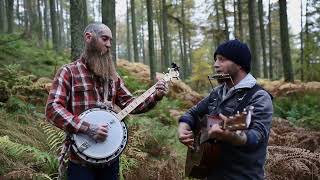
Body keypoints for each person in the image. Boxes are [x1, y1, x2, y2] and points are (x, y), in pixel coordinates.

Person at [45, 23, 168, 180]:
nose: (109, 45)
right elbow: (52, 108)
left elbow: (131, 104)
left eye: (110, 40)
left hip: (110, 160)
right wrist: (87, 128)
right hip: (80, 161)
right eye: (104, 39)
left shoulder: (112, 77)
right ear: (89, 38)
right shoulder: (68, 72)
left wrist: (155, 96)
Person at [178, 39, 273, 180]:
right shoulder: (217, 92)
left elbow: (256, 136)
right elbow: (192, 113)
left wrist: (230, 135)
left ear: (239, 63)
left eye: (222, 60)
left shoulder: (259, 96)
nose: (215, 64)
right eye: (216, 59)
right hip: (209, 172)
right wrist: (183, 127)